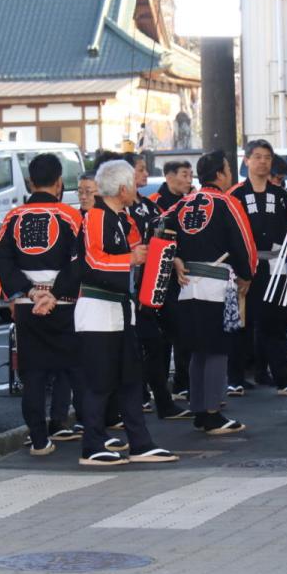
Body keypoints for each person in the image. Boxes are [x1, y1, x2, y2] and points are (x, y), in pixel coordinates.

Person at [74, 160, 178, 465]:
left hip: (121, 307)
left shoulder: (123, 218)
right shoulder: (96, 216)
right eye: (133, 183)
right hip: (98, 309)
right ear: (122, 189)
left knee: (131, 378)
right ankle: (92, 445)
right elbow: (93, 261)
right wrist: (131, 258)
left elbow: (132, 252)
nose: (137, 188)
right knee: (99, 381)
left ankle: (140, 443)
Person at [0, 153, 85, 455]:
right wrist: (53, 293)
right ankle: (87, 431)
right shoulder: (70, 216)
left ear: (31, 181)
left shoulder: (14, 217)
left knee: (33, 373)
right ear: (59, 182)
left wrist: (30, 292)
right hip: (63, 304)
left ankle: (38, 438)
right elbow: (79, 260)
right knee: (74, 368)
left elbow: (1, 257)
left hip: (26, 305)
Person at [162, 150, 256, 434]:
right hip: (215, 283)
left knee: (198, 350)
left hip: (186, 284)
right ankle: (213, 413)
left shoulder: (181, 204)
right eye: (228, 169)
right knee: (216, 349)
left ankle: (199, 409)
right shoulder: (227, 202)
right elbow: (244, 242)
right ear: (220, 174)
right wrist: (247, 274)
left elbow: (158, 229)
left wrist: (175, 258)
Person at [227, 140, 287, 397]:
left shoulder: (282, 197)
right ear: (247, 160)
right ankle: (234, 378)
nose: (263, 162)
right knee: (241, 322)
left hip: (276, 265)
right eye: (258, 156)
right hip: (245, 267)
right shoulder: (235, 196)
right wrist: (238, 268)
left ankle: (284, 379)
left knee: (277, 323)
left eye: (267, 157)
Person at [147, 160, 194, 398]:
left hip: (186, 274)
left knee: (186, 332)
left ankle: (182, 383)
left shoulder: (192, 201)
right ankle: (160, 386)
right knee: (163, 336)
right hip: (161, 276)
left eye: (191, 175)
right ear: (168, 176)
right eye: (184, 174)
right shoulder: (155, 202)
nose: (189, 179)